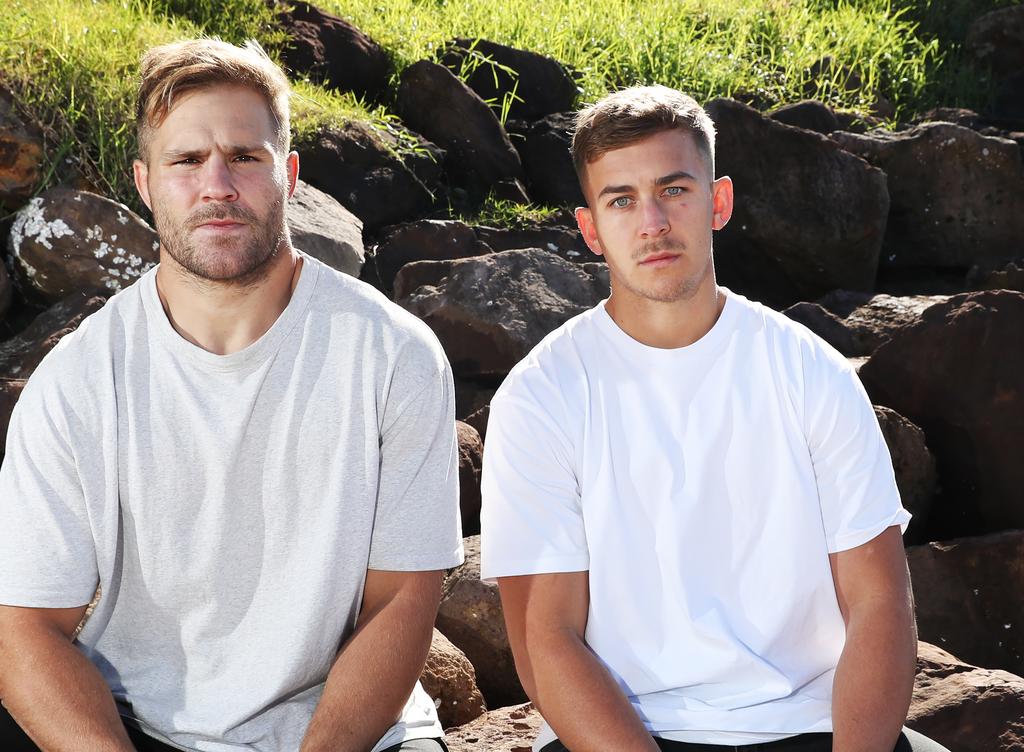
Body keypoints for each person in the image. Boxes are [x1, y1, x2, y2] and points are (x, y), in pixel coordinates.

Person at [0, 39, 462, 752]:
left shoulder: (393, 355)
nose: (217, 184)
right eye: (186, 160)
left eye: (245, 156)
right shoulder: (78, 382)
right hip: (138, 725)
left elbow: (401, 600)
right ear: (145, 184)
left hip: (349, 734)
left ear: (290, 174)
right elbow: (27, 628)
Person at [479, 86, 947, 752]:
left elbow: (879, 604)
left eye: (674, 191)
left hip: (811, 727)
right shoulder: (541, 395)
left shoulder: (810, 372)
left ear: (717, 201)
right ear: (590, 228)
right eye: (621, 200)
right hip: (627, 734)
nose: (652, 223)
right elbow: (545, 641)